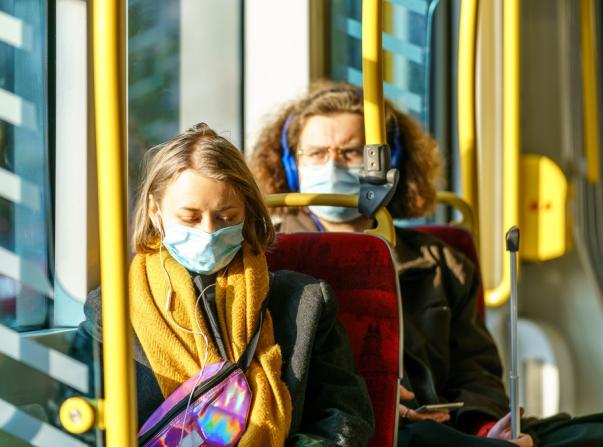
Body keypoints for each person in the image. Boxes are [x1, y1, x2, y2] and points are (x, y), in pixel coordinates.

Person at [249, 81, 603, 447]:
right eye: (316, 154)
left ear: (387, 163)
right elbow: (275, 374)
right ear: (291, 164)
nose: (332, 165)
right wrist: (380, 404)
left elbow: (476, 372)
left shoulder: (441, 262)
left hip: (447, 425)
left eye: (350, 153)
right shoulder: (271, 256)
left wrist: (484, 426)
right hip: (353, 424)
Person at [69, 123, 374, 446]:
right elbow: (81, 416)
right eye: (190, 217)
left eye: (226, 217)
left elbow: (345, 414)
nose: (209, 231)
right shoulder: (113, 311)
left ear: (247, 214)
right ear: (156, 214)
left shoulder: (303, 303)